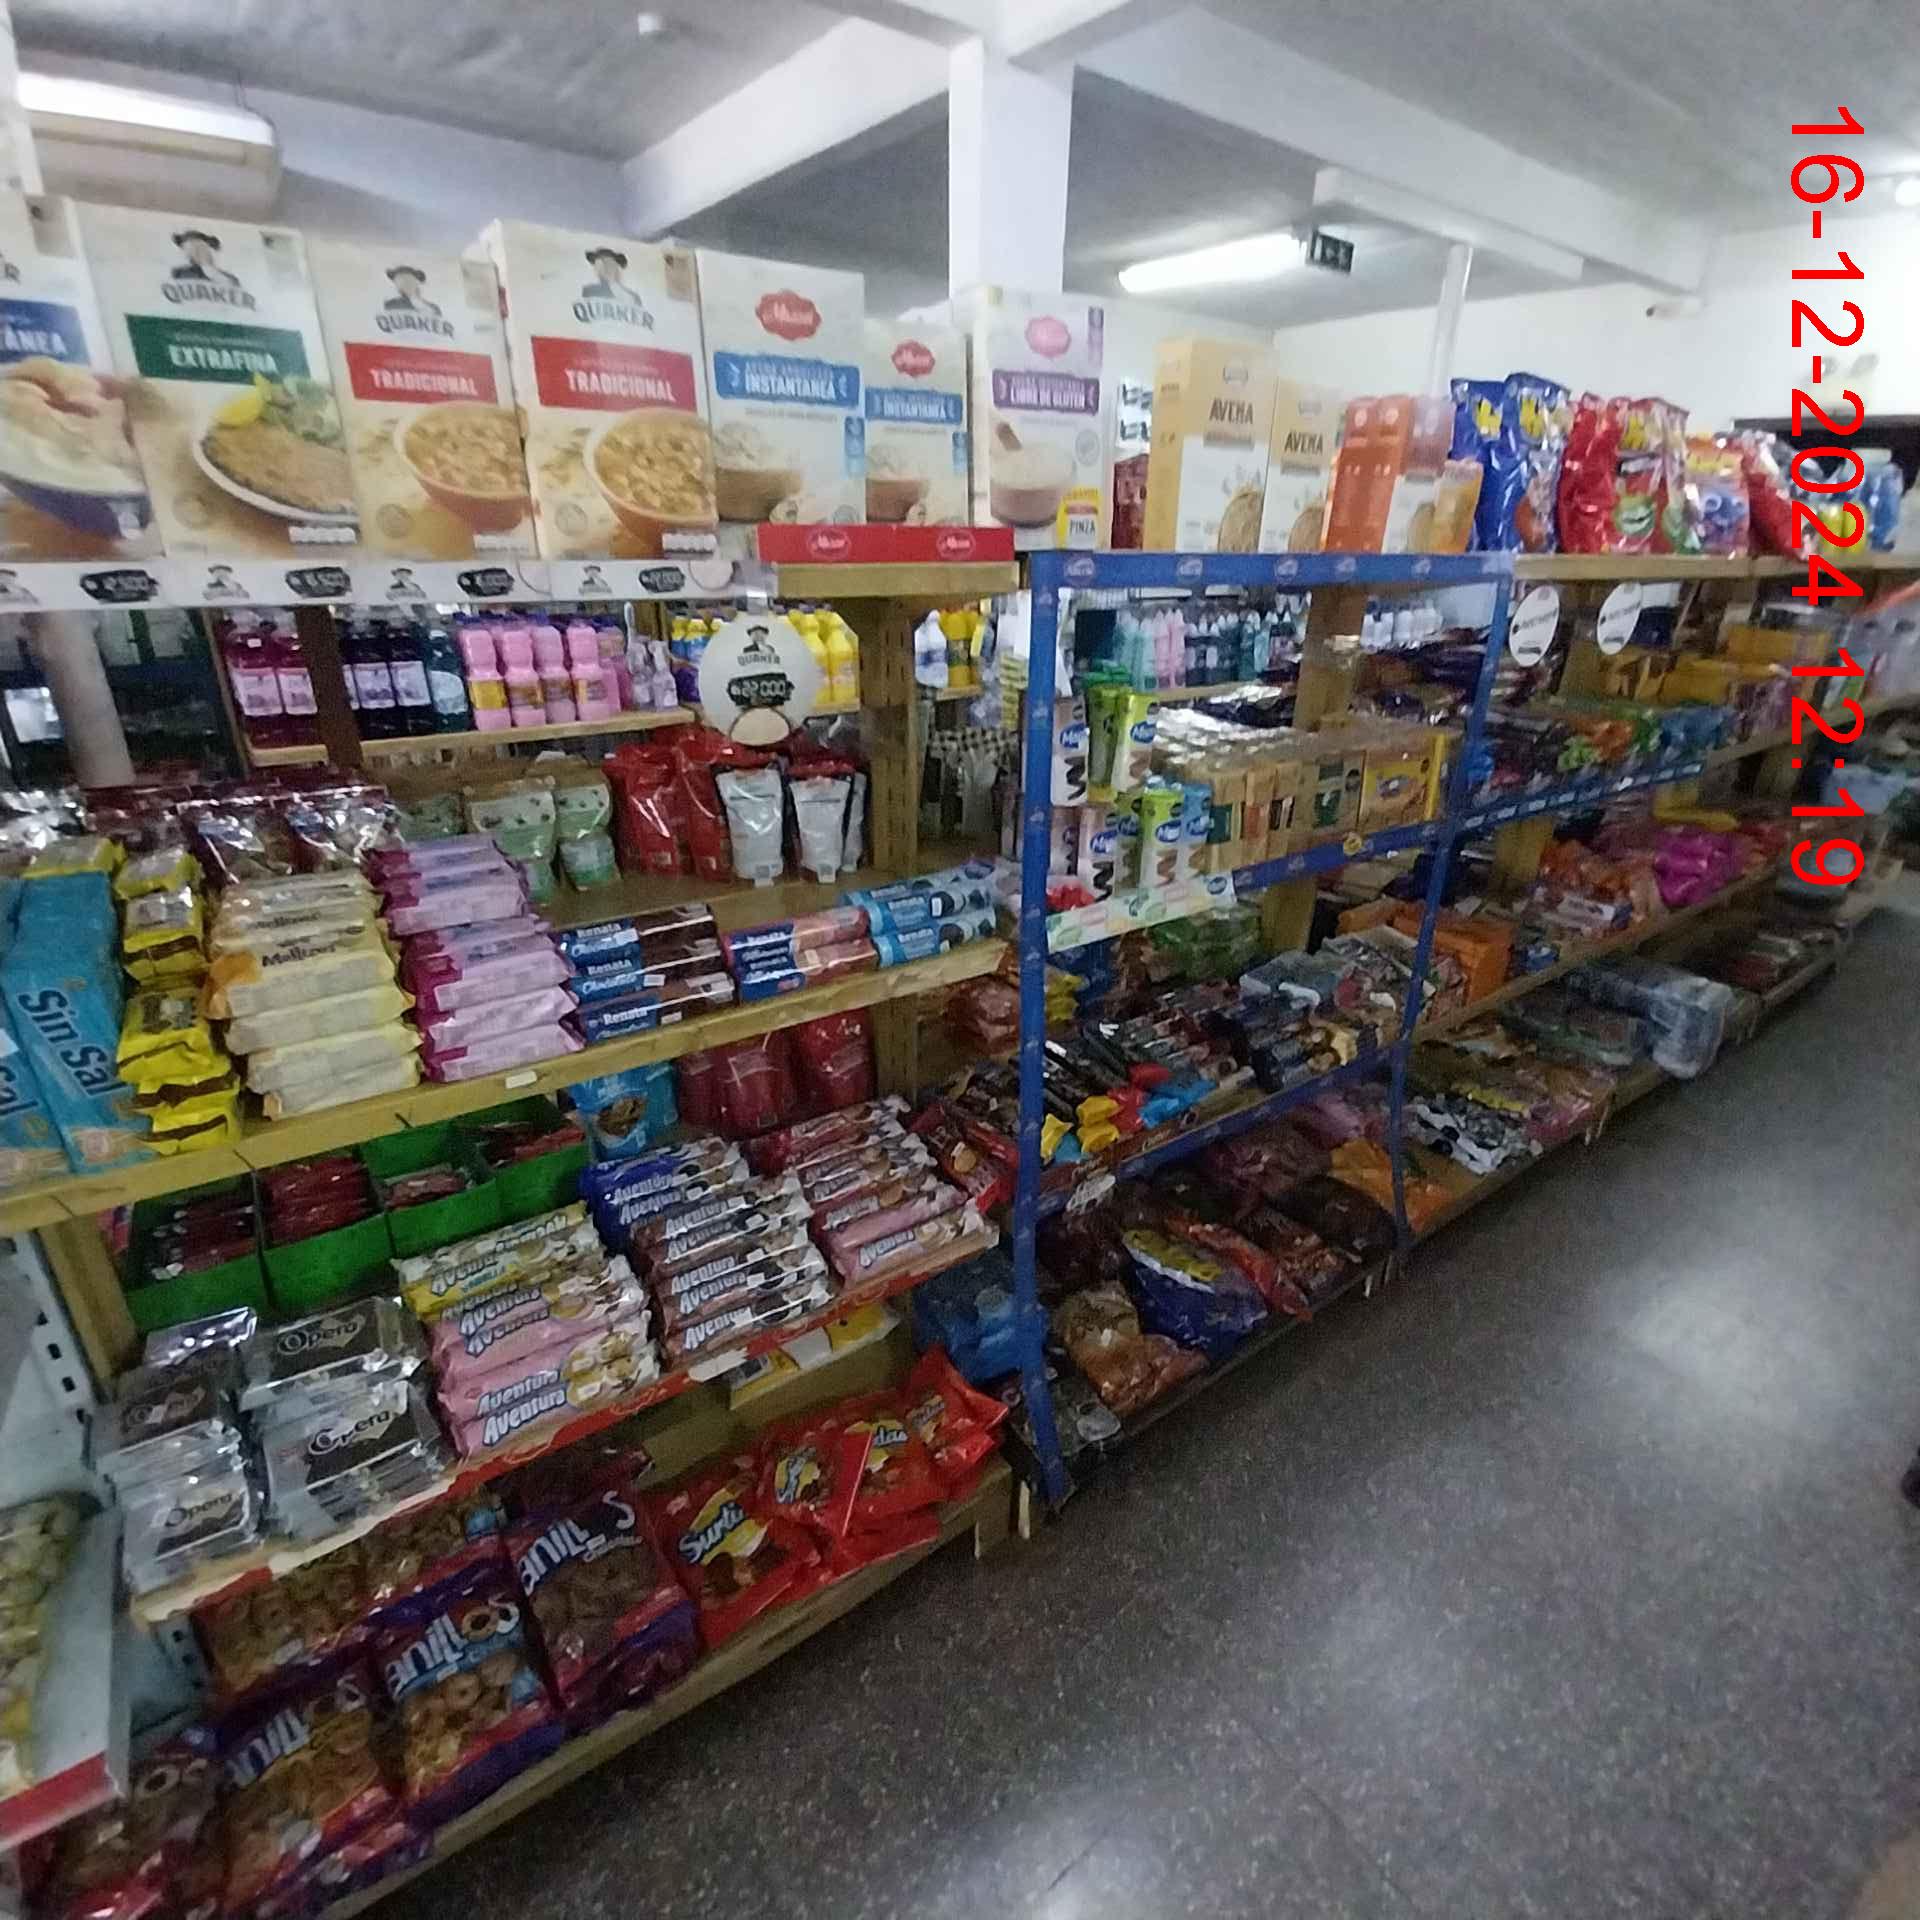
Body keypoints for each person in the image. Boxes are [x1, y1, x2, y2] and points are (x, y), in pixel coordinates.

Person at [171, 230, 240, 288]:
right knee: (209, 270)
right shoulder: (196, 242)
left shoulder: (194, 240)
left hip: (202, 264)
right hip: (202, 265)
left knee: (209, 270)